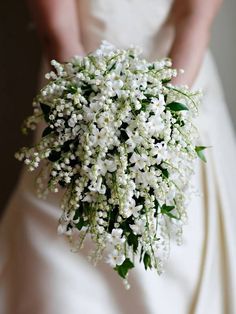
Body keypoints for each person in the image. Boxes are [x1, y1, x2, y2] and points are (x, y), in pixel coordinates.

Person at [1, 0, 236, 313]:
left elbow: (194, 19)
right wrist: (89, 118)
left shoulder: (166, 110)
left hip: (180, 79)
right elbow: (59, 32)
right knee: (58, 283)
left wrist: (159, 123)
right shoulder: (79, 102)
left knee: (181, 261)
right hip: (76, 89)